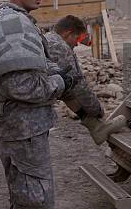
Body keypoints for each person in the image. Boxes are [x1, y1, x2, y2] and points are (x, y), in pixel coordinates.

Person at [0, 0, 74, 209]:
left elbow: (35, 64)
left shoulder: (16, 20)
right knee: (36, 201)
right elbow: (21, 86)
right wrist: (61, 83)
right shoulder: (13, 24)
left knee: (26, 198)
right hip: (24, 131)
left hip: (23, 130)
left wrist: (54, 71)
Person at [44, 15, 125, 144]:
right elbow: (78, 86)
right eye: (76, 38)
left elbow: (68, 90)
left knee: (67, 89)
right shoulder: (59, 47)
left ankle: (97, 128)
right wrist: (98, 110)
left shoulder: (49, 39)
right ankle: (98, 126)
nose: (77, 43)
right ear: (67, 34)